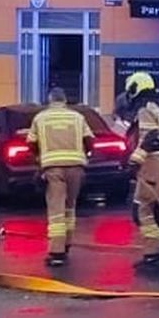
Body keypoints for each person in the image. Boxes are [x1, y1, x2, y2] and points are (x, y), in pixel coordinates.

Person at [26, 88, 92, 267]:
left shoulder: (40, 118)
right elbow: (89, 140)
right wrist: (85, 154)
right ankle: (67, 243)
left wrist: (39, 158)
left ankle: (57, 252)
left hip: (53, 168)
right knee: (70, 207)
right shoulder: (77, 117)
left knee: (56, 210)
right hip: (76, 166)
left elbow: (31, 142)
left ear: (49, 100)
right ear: (65, 100)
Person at [125, 72, 159, 268]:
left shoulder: (145, 109)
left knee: (143, 209)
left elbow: (150, 136)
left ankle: (153, 254)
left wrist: (134, 161)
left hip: (152, 164)